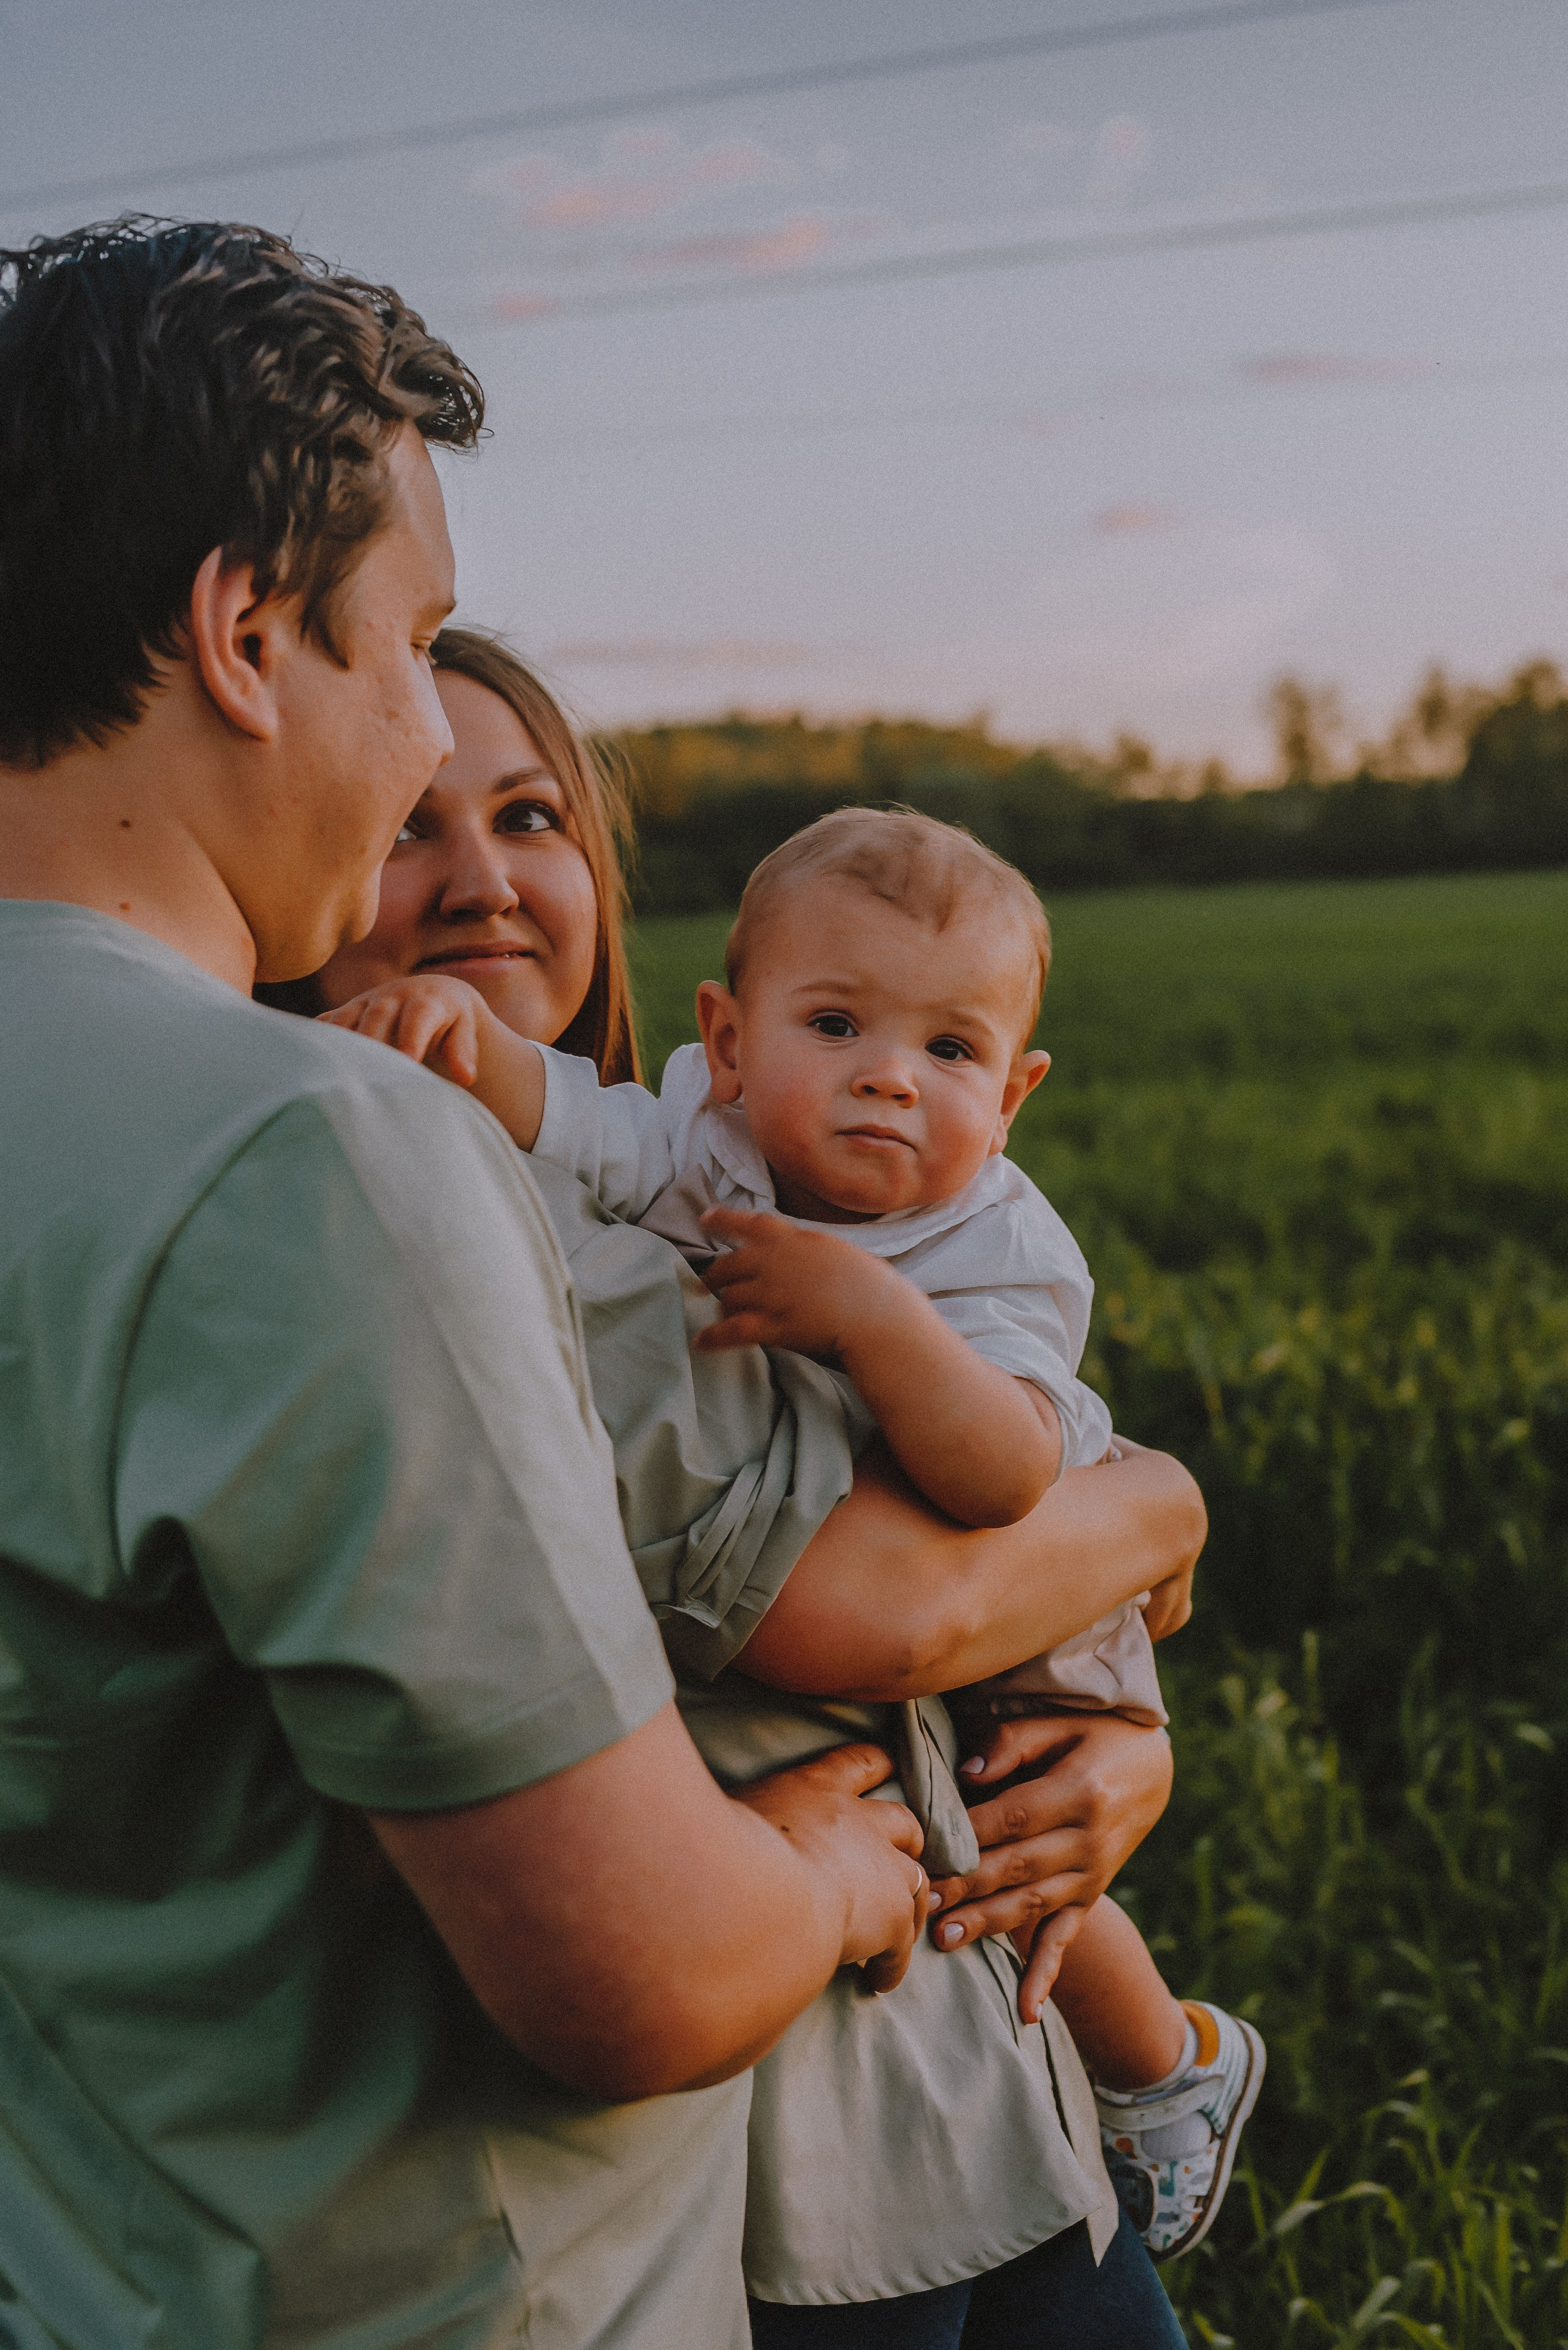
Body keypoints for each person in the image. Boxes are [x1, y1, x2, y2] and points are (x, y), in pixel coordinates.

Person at [0, 220, 942, 2350]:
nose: (427, 726)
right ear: (246, 633)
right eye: (414, 642)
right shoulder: (307, 1151)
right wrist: (819, 1873)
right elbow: (637, 1975)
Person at [310, 632, 1214, 2342]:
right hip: (819, 2112)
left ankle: (1166, 2068)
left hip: (970, 2053)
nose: (483, 879)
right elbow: (889, 1612)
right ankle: (1166, 2067)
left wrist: (1129, 1655)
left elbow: (993, 1516)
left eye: (530, 816)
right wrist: (1160, 1511)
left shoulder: (831, 1201)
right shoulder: (480, 1204)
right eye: (409, 821)